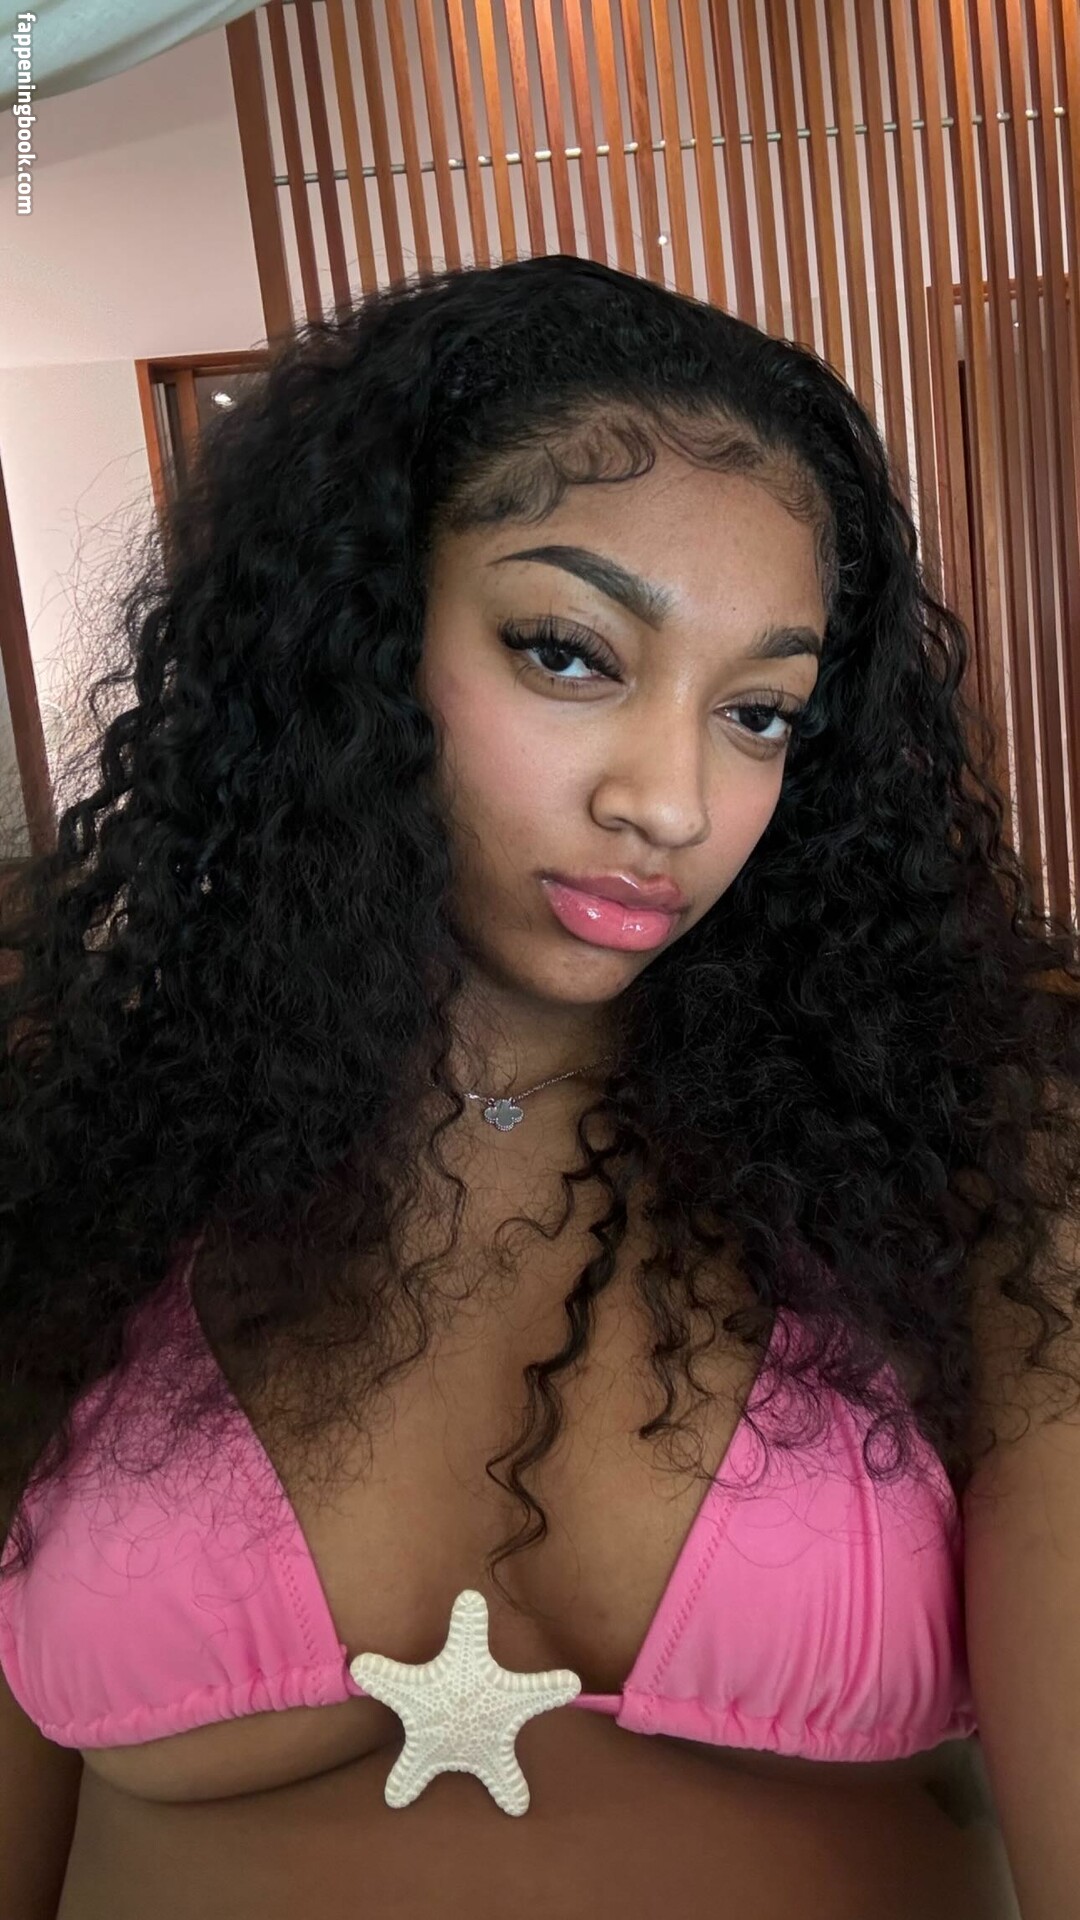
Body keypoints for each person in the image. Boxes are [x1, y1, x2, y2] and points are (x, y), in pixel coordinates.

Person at [4, 251, 1075, 1917]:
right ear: (350, 639)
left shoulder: (979, 1163)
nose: (673, 800)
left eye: (762, 715)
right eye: (570, 653)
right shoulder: (72, 1156)